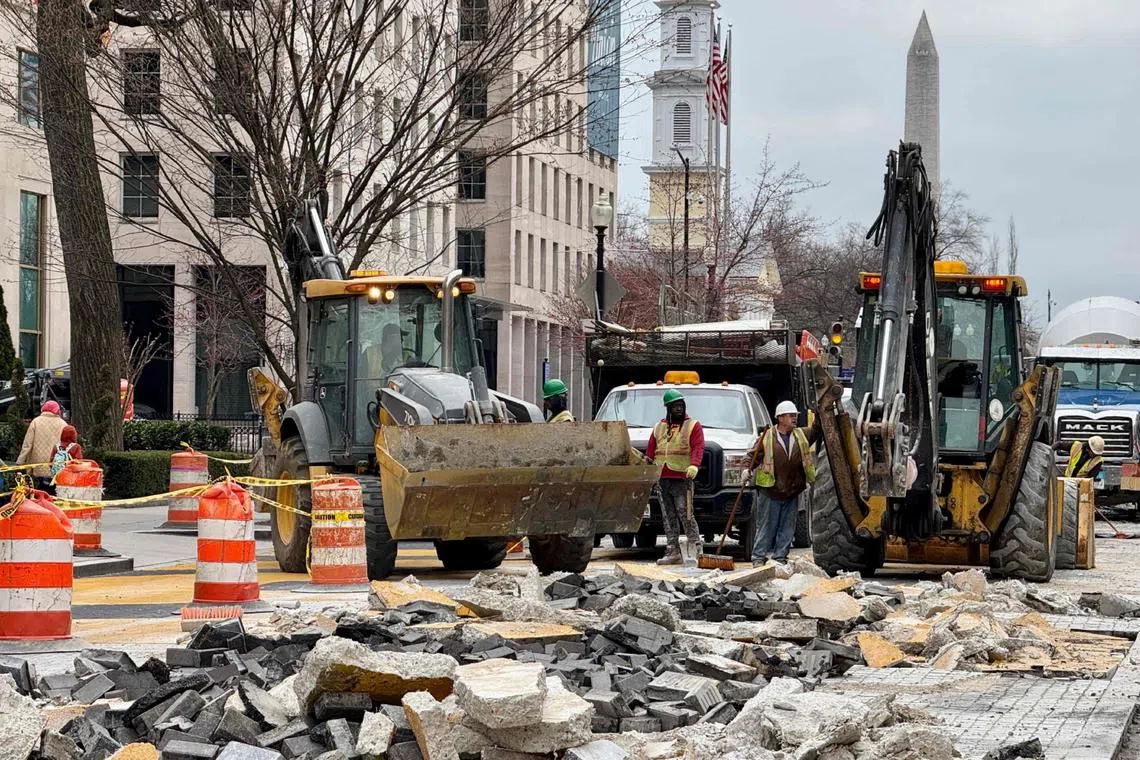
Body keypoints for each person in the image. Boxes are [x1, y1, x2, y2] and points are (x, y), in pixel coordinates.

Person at [747, 400, 821, 567]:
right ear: (780, 418)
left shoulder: (801, 435)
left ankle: (780, 558)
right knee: (767, 527)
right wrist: (746, 469)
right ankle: (758, 558)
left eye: (795, 415)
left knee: (787, 529)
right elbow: (752, 456)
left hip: (792, 491)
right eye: (791, 415)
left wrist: (818, 412)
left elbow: (817, 430)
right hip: (770, 490)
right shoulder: (766, 437)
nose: (794, 418)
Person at [644, 389, 704, 566]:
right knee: (668, 516)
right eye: (675, 406)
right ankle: (673, 550)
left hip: (682, 477)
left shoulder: (692, 425)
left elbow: (698, 447)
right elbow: (651, 451)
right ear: (668, 408)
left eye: (681, 405)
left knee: (685, 513)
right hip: (662, 478)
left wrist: (694, 464)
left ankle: (695, 548)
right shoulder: (659, 427)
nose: (678, 409)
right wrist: (648, 468)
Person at [17, 400, 67, 492]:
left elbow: (28, 444)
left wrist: (20, 461)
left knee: (40, 489)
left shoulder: (36, 422)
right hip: (56, 464)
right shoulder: (63, 424)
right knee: (54, 490)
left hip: (38, 463)